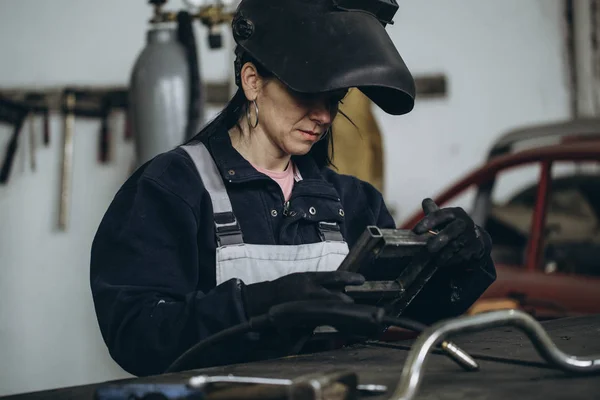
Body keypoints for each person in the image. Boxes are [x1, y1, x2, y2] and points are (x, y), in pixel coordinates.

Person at [90, 0, 496, 377]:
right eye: (306, 92)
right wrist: (260, 306)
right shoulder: (170, 189)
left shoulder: (353, 202)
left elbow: (400, 320)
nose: (323, 115)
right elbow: (136, 335)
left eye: (334, 98)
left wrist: (460, 262)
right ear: (252, 81)